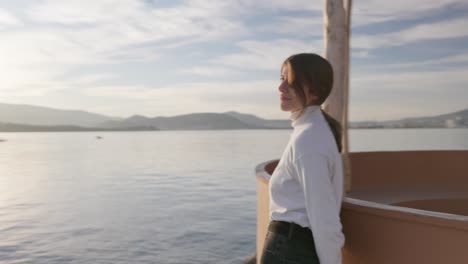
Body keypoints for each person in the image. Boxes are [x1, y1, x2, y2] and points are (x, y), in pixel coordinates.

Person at [260, 53, 345, 264]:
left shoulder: (309, 140)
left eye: (290, 82)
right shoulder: (309, 131)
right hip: (291, 248)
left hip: (291, 251)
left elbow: (324, 218)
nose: (281, 88)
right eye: (281, 79)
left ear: (314, 90)